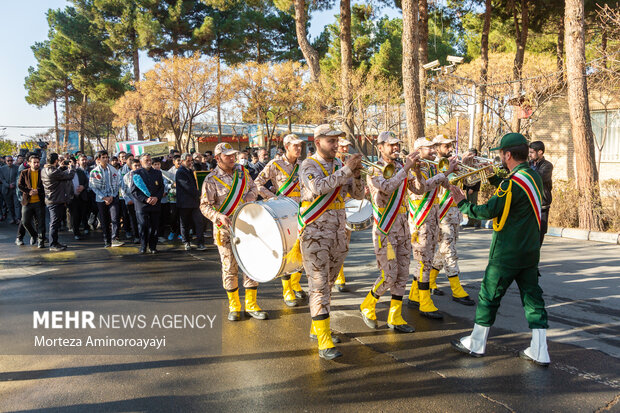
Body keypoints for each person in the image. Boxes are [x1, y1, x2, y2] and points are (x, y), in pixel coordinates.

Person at [450, 133, 550, 366]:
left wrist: (462, 202)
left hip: (507, 251)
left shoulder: (512, 183)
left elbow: (487, 211)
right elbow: (512, 194)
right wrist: (491, 176)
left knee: (489, 295)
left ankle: (476, 343)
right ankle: (540, 349)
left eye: (500, 154)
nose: (498, 158)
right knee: (533, 298)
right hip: (529, 251)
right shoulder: (532, 175)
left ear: (508, 155)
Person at [296, 124, 364, 360]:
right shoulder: (308, 165)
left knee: (329, 285)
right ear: (317, 142)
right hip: (315, 235)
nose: (336, 145)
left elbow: (358, 195)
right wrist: (347, 169)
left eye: (337, 141)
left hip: (338, 233)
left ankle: (319, 328)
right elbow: (318, 187)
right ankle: (324, 341)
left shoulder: (338, 165)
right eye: (331, 141)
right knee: (318, 286)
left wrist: (357, 175)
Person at [359, 131, 424, 333]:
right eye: (391, 145)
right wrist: (406, 168)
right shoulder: (374, 169)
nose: (396, 148)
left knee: (403, 273)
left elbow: (420, 190)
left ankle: (395, 317)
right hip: (385, 229)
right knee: (389, 274)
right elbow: (386, 187)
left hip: (404, 227)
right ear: (380, 147)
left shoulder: (400, 167)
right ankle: (368, 304)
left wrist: (418, 172)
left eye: (397, 145)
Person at [200, 142, 267, 322]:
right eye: (228, 155)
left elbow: (253, 188)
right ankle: (234, 305)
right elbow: (204, 206)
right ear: (217, 158)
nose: (232, 158)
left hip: (247, 227)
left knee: (250, 265)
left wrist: (249, 198)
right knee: (229, 267)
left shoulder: (242, 173)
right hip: (225, 230)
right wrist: (218, 216)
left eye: (233, 155)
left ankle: (252, 304)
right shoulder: (211, 179)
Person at [406, 137, 456, 319]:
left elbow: (444, 184)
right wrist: (444, 173)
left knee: (425, 258)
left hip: (433, 216)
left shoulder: (432, 166)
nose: (434, 151)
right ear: (418, 149)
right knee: (424, 260)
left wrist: (450, 171)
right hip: (421, 218)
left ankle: (414, 295)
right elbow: (423, 187)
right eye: (429, 148)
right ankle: (425, 302)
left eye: (434, 148)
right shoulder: (411, 167)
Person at [255, 134, 306, 307]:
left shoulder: (303, 165)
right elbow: (257, 183)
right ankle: (287, 291)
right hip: (284, 213)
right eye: (295, 146)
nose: (298, 149)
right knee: (288, 251)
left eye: (300, 146)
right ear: (286, 146)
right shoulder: (275, 164)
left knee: (303, 250)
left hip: (303, 212)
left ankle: (296, 284)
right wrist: (273, 198)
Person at [429, 134, 475, 306]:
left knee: (443, 250)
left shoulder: (453, 162)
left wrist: (467, 165)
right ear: (437, 147)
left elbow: (468, 182)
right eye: (446, 146)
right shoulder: (433, 165)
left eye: (451, 145)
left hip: (454, 213)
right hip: (442, 214)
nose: (450, 148)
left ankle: (431, 281)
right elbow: (445, 183)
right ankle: (456, 289)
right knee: (450, 252)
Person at [41, 153, 75, 251]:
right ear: (56, 161)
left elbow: (56, 174)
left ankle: (55, 242)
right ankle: (52, 244)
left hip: (52, 199)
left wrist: (60, 167)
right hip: (55, 200)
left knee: (55, 222)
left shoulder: (44, 170)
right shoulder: (53, 172)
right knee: (54, 223)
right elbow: (69, 176)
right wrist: (72, 167)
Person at [89, 151, 124, 248]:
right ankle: (107, 240)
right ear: (99, 159)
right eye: (103, 157)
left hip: (113, 197)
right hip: (101, 199)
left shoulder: (113, 170)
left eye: (106, 157)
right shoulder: (95, 172)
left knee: (115, 218)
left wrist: (112, 196)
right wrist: (104, 197)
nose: (105, 159)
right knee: (104, 220)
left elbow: (117, 183)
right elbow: (93, 187)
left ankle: (114, 238)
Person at [332, 137, 354, 292]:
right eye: (343, 147)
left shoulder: (350, 164)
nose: (345, 150)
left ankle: (340, 275)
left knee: (343, 244)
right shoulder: (331, 164)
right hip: (329, 209)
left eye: (347, 147)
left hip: (346, 208)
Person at [131, 154, 165, 254]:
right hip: (142, 205)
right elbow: (134, 191)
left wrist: (157, 198)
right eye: (146, 160)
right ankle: (143, 246)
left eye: (150, 160)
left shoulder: (157, 173)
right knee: (143, 226)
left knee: (154, 227)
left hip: (155, 204)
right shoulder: (136, 173)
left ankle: (153, 246)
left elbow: (161, 188)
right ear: (141, 162)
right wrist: (145, 199)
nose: (149, 162)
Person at [176, 153, 206, 251]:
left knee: (199, 222)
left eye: (191, 160)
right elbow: (187, 187)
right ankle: (186, 242)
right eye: (188, 161)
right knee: (185, 223)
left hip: (194, 202)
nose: (190, 163)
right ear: (182, 161)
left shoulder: (190, 171)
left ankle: (200, 243)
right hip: (184, 203)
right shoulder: (180, 172)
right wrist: (200, 194)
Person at [17, 154, 46, 248]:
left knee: (41, 223)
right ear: (29, 163)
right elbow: (20, 185)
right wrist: (29, 191)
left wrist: (38, 191)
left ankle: (41, 241)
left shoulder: (42, 173)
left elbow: (46, 186)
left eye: (38, 162)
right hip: (27, 202)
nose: (37, 164)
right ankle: (34, 235)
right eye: (34, 162)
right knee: (25, 222)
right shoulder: (24, 173)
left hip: (39, 202)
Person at [529, 141, 553, 245]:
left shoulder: (547, 166)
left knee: (540, 232)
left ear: (540, 152)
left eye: (532, 152)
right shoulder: (528, 164)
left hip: (542, 204)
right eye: (529, 152)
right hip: (528, 202)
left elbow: (538, 177)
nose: (529, 155)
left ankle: (534, 256)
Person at [69, 154, 90, 240]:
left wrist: (83, 187)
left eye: (72, 163)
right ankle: (76, 232)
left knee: (83, 214)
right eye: (69, 163)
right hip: (72, 198)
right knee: (75, 216)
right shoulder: (65, 172)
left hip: (82, 196)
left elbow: (87, 182)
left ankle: (85, 227)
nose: (71, 164)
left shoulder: (80, 172)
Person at [122, 159, 141, 244]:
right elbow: (123, 189)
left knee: (142, 220)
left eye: (138, 165)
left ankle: (143, 236)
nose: (137, 167)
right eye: (135, 166)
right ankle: (136, 236)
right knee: (133, 220)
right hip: (131, 201)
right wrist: (127, 199)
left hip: (142, 201)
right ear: (131, 166)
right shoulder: (127, 176)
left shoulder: (144, 174)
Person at [462, 148, 481, 229]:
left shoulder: (477, 163)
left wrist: (472, 188)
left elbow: (477, 177)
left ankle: (477, 221)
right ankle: (471, 221)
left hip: (473, 187)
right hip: (468, 186)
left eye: (470, 154)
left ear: (474, 155)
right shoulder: (469, 162)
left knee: (473, 204)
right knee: (469, 204)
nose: (468, 156)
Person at [0, 156, 20, 224]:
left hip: (15, 189)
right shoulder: (2, 169)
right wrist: (8, 185)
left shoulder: (16, 168)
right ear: (5, 161)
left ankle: (18, 219)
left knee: (16, 204)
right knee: (9, 205)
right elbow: (2, 179)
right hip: (6, 190)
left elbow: (18, 177)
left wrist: (13, 184)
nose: (10, 162)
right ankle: (12, 218)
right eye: (8, 161)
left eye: (11, 160)